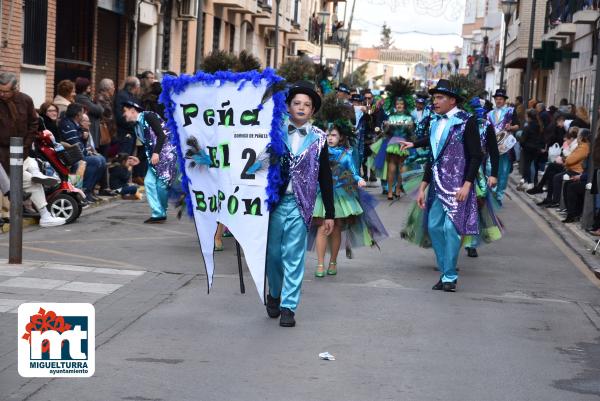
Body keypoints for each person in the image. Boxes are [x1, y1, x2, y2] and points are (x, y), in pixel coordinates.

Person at [265, 80, 334, 327]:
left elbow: (325, 176)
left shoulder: (320, 138)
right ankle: (274, 292)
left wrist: (329, 212)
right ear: (288, 106)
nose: (302, 108)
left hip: (300, 204)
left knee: (293, 255)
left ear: (313, 110)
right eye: (297, 103)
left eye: (307, 104)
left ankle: (288, 306)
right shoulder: (274, 131)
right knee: (273, 255)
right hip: (273, 203)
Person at [403, 79, 483, 292]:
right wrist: (423, 186)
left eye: (440, 98)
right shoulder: (434, 122)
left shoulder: (467, 121)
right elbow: (433, 156)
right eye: (434, 98)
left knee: (451, 229)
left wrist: (467, 184)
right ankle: (446, 270)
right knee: (433, 227)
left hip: (458, 186)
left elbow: (476, 155)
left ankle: (449, 276)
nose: (435, 102)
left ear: (452, 100)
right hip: (437, 186)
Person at [122, 101, 177, 223]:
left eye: (124, 111)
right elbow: (147, 145)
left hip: (167, 154)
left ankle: (161, 210)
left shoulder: (148, 116)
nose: (123, 115)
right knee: (149, 182)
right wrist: (139, 159)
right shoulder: (136, 126)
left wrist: (156, 153)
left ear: (132, 110)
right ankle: (158, 213)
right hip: (155, 157)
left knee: (161, 185)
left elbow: (162, 136)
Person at [58, 103, 107, 203]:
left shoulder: (74, 124)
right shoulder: (67, 124)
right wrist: (88, 153)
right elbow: (75, 144)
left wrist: (85, 141)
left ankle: (89, 191)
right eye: (82, 112)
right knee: (96, 161)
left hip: (77, 154)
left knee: (102, 159)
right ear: (77, 114)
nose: (83, 114)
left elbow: (80, 144)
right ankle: (83, 191)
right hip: (70, 157)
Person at [537, 127, 590, 208]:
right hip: (570, 168)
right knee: (551, 172)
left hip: (575, 170)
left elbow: (569, 159)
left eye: (579, 136)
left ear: (582, 137)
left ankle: (556, 201)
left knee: (557, 177)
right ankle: (548, 197)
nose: (578, 138)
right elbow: (568, 157)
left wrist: (565, 159)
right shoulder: (580, 145)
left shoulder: (583, 147)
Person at [0, 72, 38, 175]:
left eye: (5, 91)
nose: (2, 94)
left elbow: (33, 123)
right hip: (2, 151)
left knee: (32, 184)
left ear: (14, 89)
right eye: (0, 90)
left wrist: (26, 145)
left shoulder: (25, 100)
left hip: (21, 150)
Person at [487, 89, 520, 204]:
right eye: (496, 99)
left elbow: (517, 126)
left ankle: (499, 195)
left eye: (500, 99)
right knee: (490, 168)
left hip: (505, 147)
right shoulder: (489, 113)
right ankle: (491, 192)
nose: (498, 101)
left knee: (504, 171)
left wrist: (510, 128)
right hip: (492, 146)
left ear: (505, 100)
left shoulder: (510, 111)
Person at [74, 77, 104, 149]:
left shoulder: (87, 98)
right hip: (90, 127)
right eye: (88, 85)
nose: (90, 87)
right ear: (83, 87)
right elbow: (98, 110)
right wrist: (97, 103)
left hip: (92, 126)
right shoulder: (81, 98)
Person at [114, 76, 141, 154]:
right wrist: (132, 126)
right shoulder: (123, 96)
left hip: (130, 131)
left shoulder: (131, 96)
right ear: (135, 87)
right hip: (125, 132)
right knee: (124, 156)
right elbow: (120, 115)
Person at [520, 109, 545, 189]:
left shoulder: (528, 127)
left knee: (528, 165)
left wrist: (523, 145)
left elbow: (523, 140)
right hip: (536, 148)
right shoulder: (540, 125)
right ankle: (533, 181)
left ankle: (530, 182)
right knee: (534, 165)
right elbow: (542, 137)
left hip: (528, 148)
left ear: (528, 117)